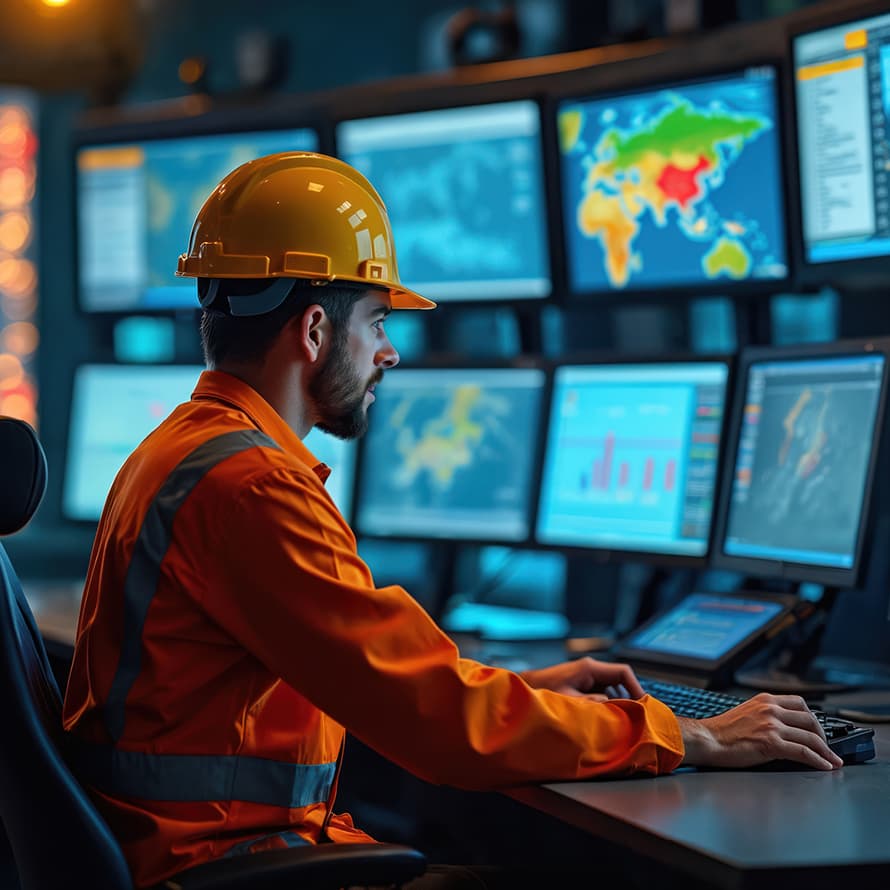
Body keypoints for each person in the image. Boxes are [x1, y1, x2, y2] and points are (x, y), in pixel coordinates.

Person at [62, 152, 843, 889]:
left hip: (189, 852)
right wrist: (690, 733)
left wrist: (530, 693)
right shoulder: (254, 488)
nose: (389, 353)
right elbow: (439, 722)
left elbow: (388, 688)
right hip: (227, 862)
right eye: (377, 321)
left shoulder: (182, 451)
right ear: (313, 332)